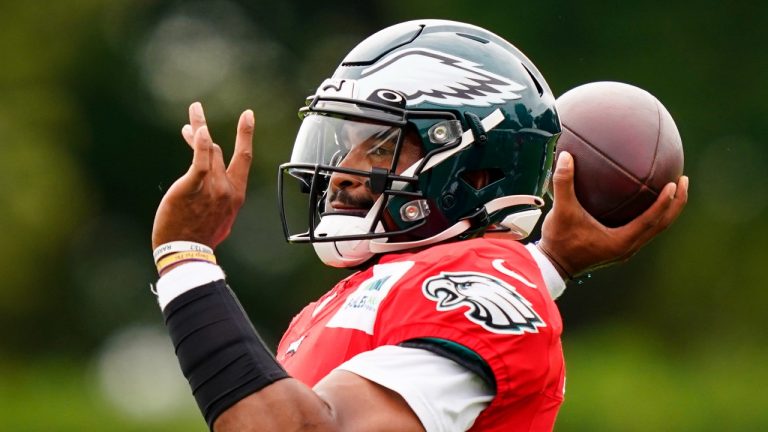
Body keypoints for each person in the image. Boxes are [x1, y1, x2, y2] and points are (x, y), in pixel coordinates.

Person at [151, 20, 688, 431]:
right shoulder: (356, 295)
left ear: (474, 169)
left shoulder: (487, 287)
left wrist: (185, 257)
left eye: (381, 145)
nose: (344, 172)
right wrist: (554, 258)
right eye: (346, 142)